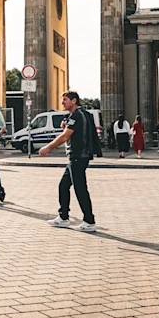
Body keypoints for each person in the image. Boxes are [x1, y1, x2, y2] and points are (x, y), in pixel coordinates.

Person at [41, 91, 101, 232]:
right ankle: (63, 217)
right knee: (63, 186)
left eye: (65, 100)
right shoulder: (81, 115)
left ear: (74, 101)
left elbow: (64, 137)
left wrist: (48, 147)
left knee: (80, 189)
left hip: (78, 156)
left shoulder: (76, 116)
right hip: (78, 156)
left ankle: (89, 221)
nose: (63, 102)